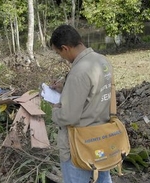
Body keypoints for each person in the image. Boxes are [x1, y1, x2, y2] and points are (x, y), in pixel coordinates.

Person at [50, 24, 113, 183]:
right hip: (102, 137)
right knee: (103, 178)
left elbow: (68, 116)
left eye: (59, 53)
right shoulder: (102, 61)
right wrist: (65, 88)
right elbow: (93, 91)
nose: (61, 57)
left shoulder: (78, 72)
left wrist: (55, 109)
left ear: (65, 48)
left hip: (80, 144)